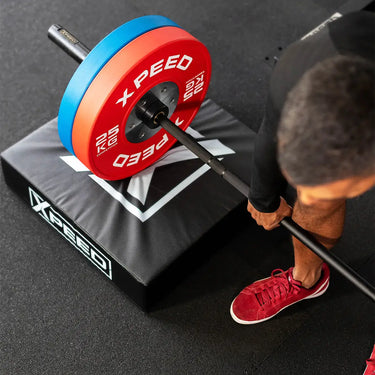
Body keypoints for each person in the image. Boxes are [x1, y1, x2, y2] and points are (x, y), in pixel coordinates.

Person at [230, 11, 375, 325]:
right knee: (318, 203)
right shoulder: (297, 68)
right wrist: (263, 198)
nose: (303, 197)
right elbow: (271, 130)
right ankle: (307, 278)